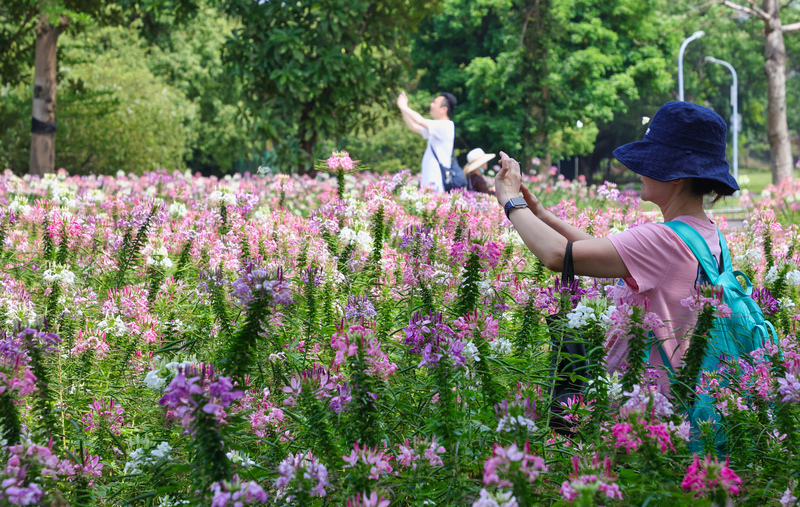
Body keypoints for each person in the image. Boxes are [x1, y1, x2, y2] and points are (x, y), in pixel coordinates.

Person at [494, 101, 739, 386]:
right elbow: (613, 254)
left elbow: (559, 256)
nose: (641, 171)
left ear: (677, 175)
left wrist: (511, 201)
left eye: (650, 161)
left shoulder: (663, 240)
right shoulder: (707, 234)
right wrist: (542, 216)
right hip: (677, 402)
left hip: (639, 413)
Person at [397, 91, 457, 192]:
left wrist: (404, 106)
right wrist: (402, 108)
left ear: (444, 109)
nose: (431, 105)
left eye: (435, 103)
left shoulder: (446, 126)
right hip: (431, 180)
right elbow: (413, 126)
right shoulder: (437, 127)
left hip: (436, 181)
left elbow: (419, 121)